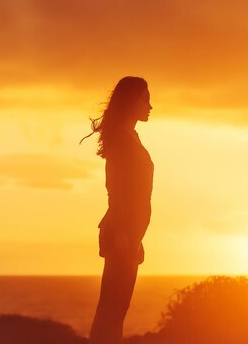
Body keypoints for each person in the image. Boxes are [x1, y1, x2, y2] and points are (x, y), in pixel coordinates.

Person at [80, 76, 154, 344]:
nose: (150, 106)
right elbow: (119, 190)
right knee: (112, 308)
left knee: (117, 309)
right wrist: (124, 233)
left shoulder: (130, 136)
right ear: (131, 101)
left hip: (129, 232)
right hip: (122, 232)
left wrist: (136, 236)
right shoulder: (122, 140)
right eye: (145, 99)